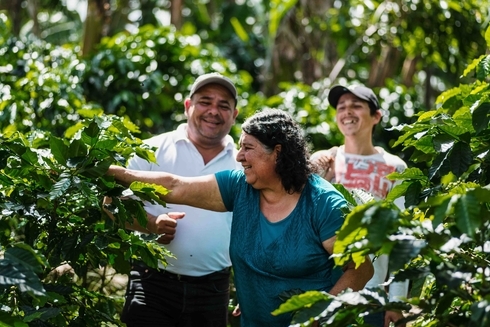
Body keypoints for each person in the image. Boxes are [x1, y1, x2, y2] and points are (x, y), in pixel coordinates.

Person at [107, 108, 374, 327]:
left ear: (277, 152)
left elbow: (361, 269)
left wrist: (319, 316)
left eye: (248, 148)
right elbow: (176, 186)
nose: (238, 156)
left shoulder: (322, 204)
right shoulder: (241, 187)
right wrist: (113, 173)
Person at [112, 72, 241, 327]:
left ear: (234, 115)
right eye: (205, 101)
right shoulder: (150, 150)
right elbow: (111, 203)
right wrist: (151, 223)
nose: (214, 111)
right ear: (188, 106)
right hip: (153, 283)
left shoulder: (242, 162)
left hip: (213, 290)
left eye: (223, 105)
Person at [311, 84, 409, 327]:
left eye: (356, 105)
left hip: (373, 292)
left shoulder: (394, 168)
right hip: (328, 286)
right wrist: (321, 174)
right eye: (341, 107)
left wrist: (397, 300)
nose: (347, 111)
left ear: (376, 116)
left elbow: (402, 236)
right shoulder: (324, 162)